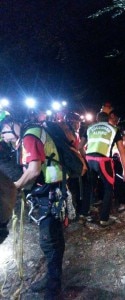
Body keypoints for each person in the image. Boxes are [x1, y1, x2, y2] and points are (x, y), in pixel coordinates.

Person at [0, 111, 67, 299]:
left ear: (10, 125)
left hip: (50, 194)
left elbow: (34, 170)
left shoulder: (29, 137)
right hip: (49, 191)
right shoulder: (30, 134)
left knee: (49, 242)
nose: (4, 139)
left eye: (3, 133)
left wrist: (14, 186)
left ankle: (53, 290)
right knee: (54, 240)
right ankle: (52, 279)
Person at [78, 111, 125, 226]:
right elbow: (121, 151)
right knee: (108, 188)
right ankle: (104, 219)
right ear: (108, 120)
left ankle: (83, 214)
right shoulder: (114, 129)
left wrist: (86, 157)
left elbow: (80, 146)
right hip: (104, 161)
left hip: (90, 159)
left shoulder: (90, 128)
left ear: (97, 119)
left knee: (88, 187)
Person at [108, 110, 125, 211]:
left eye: (109, 118)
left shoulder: (123, 125)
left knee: (119, 179)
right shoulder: (117, 125)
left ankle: (123, 202)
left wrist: (113, 150)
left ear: (113, 115)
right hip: (114, 156)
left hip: (120, 156)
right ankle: (117, 198)